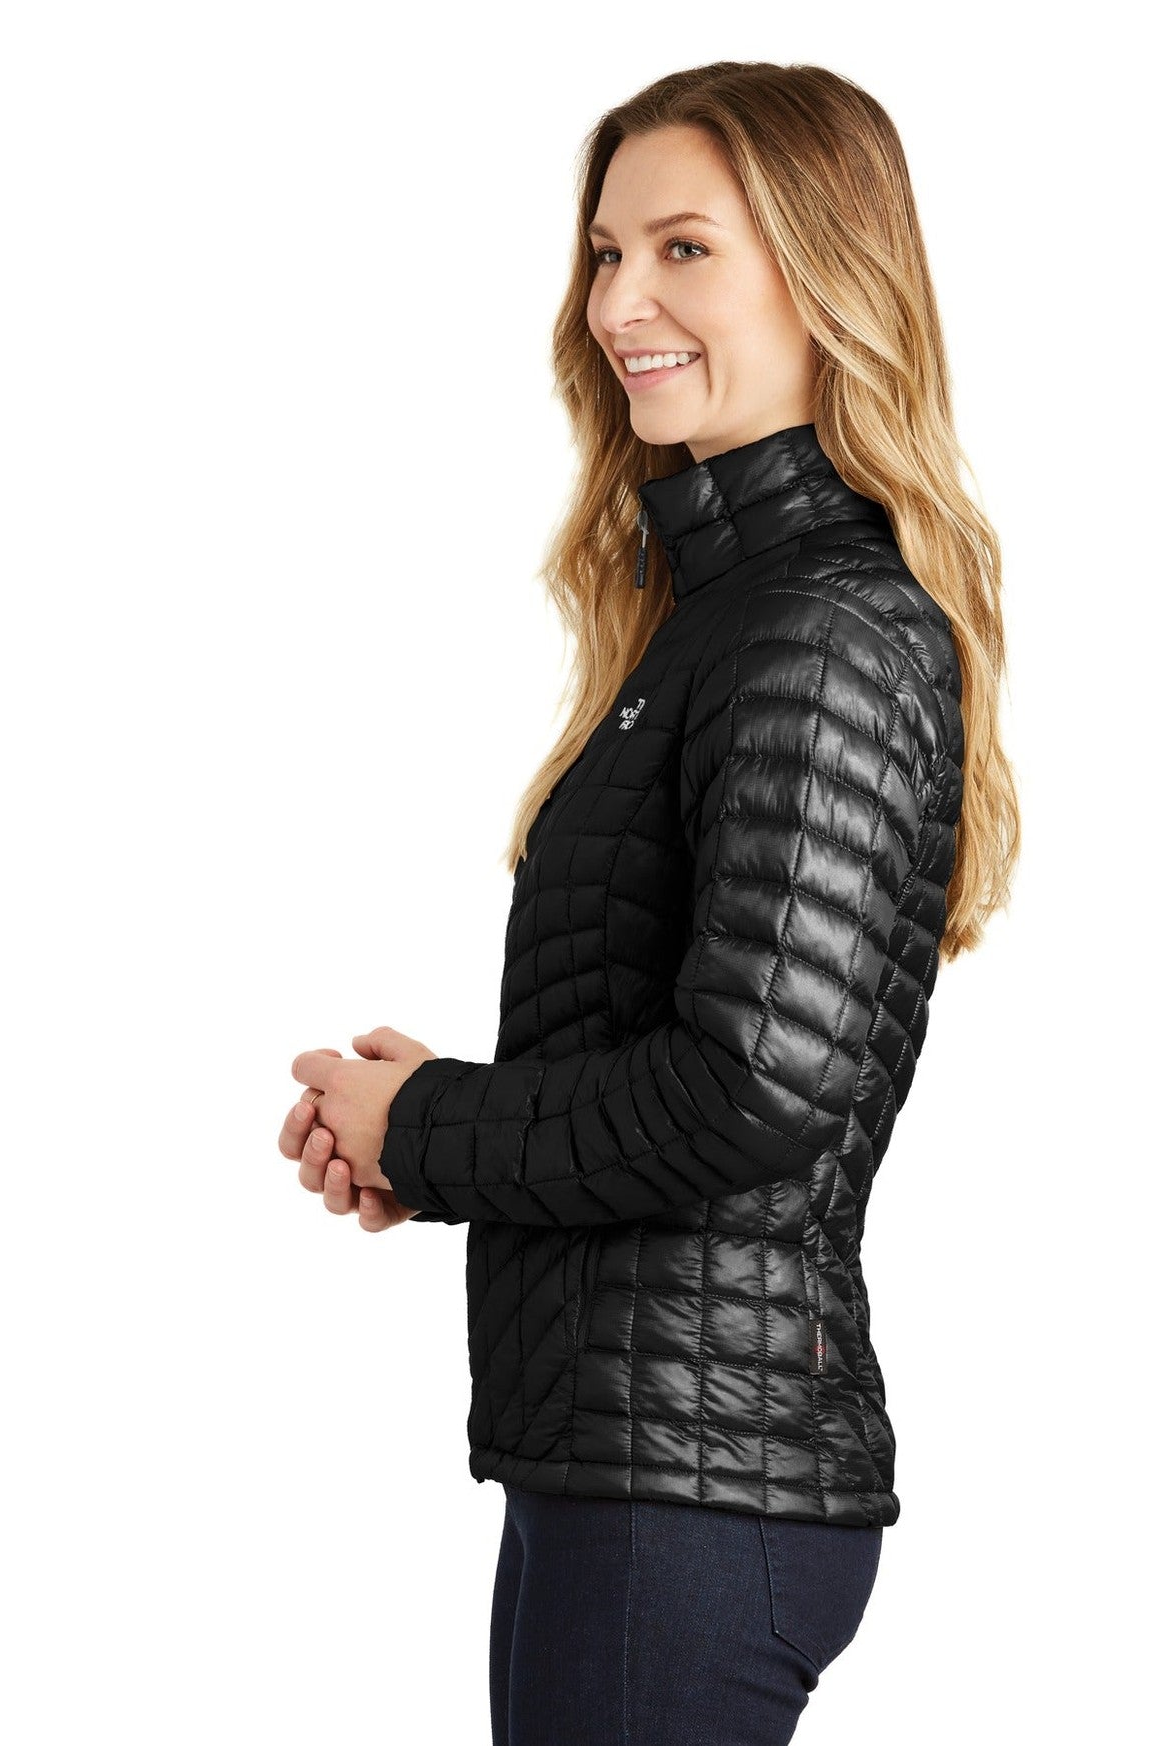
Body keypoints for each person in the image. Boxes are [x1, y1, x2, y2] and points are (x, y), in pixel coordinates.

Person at [276, 60, 1018, 1746]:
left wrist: (433, 1128)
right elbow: (692, 1056)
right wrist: (430, 1133)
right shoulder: (719, 616)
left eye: (684, 249)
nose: (619, 304)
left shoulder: (821, 628)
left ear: (824, 273)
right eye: (607, 253)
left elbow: (749, 1090)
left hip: (692, 1495)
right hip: (634, 1461)